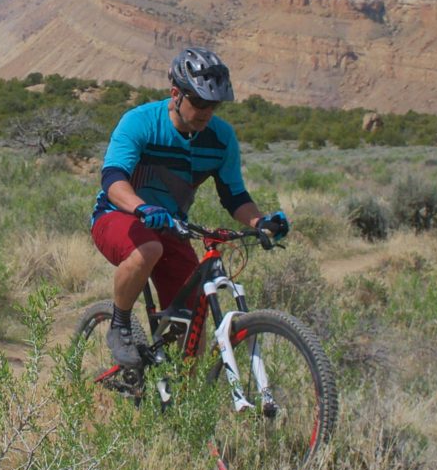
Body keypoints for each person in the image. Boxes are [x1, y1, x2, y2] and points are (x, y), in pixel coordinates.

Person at [91, 47, 289, 371]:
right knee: (148, 248)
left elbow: (234, 195)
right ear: (175, 94)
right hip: (118, 216)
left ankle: (178, 404)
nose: (205, 112)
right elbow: (113, 178)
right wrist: (141, 208)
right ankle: (120, 325)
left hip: (172, 227)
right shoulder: (140, 122)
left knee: (191, 326)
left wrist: (261, 221)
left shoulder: (221, 138)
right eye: (198, 102)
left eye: (213, 105)